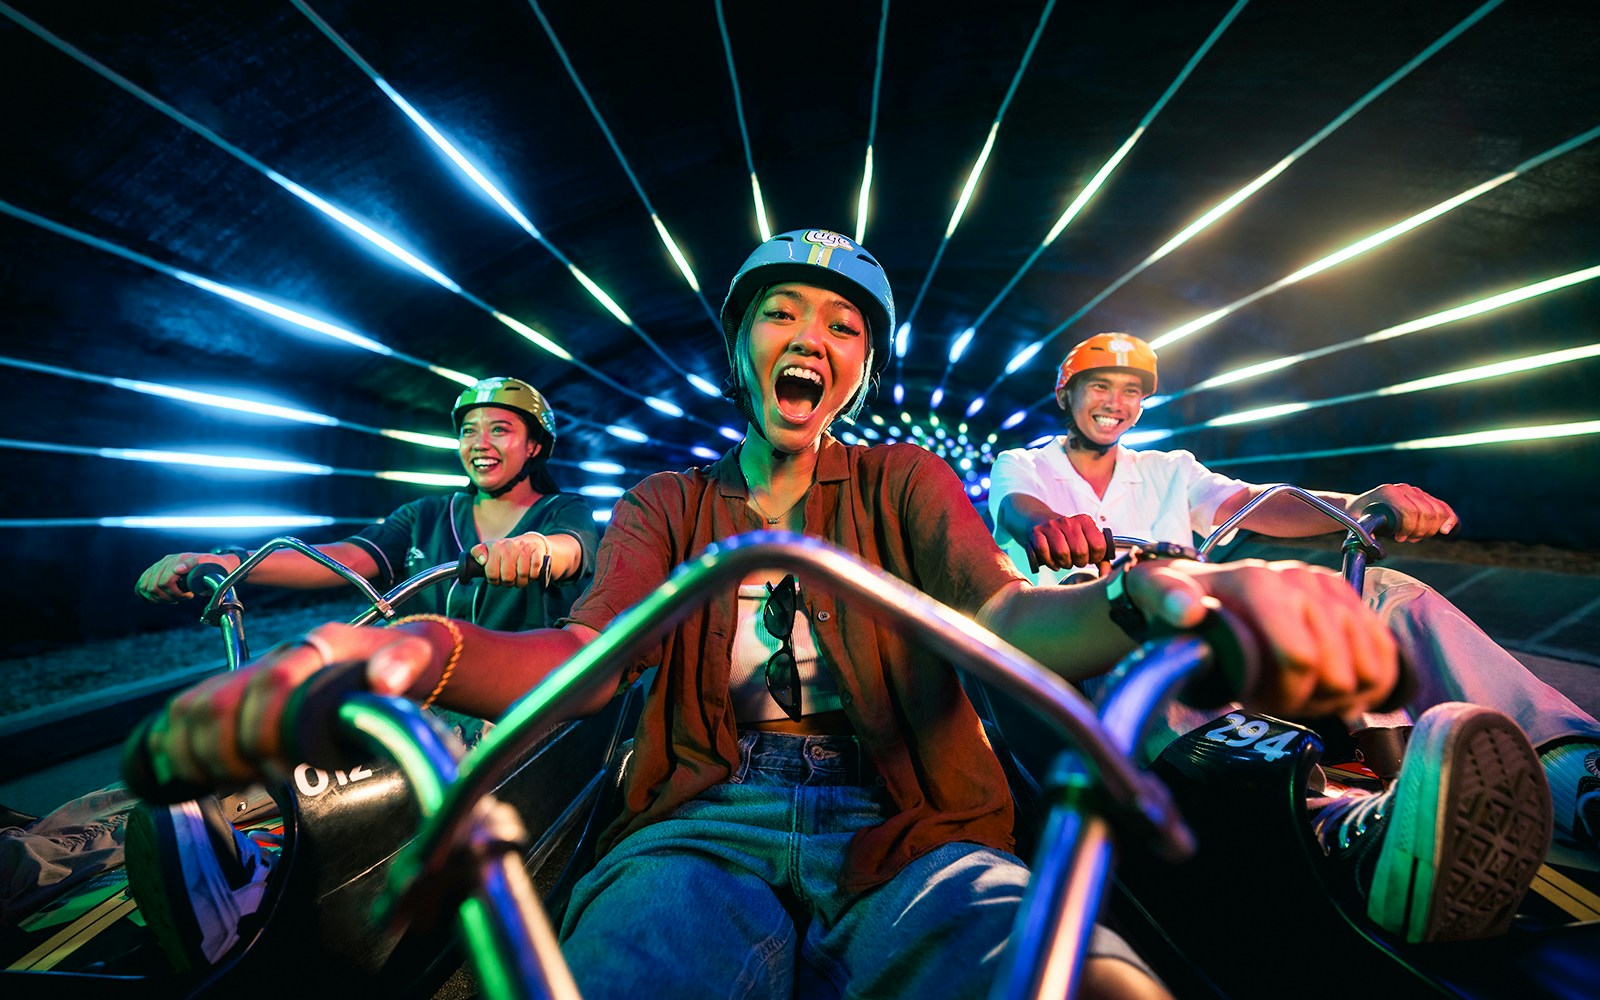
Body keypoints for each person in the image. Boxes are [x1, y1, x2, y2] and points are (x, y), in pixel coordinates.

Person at [135, 230, 1473, 998]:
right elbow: (586, 664)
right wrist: (399, 645)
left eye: (841, 325)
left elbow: (1004, 617)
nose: (810, 335)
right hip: (696, 817)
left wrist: (1166, 599)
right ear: (740, 346)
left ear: (857, 370)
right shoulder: (672, 501)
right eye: (782, 311)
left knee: (1072, 975)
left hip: (917, 817)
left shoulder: (907, 481)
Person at [988, 333, 1590, 929]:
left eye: (1131, 391)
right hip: (1084, 649)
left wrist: (1356, 504)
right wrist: (1055, 528)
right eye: (1100, 387)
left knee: (1385, 593)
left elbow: (1250, 501)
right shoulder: (1026, 463)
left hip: (1199, 623)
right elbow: (1021, 509)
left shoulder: (1168, 469)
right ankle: (1326, 823)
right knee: (1162, 621)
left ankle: (1570, 773)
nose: (1115, 403)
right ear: (1066, 394)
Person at [122, 377, 600, 971]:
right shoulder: (427, 515)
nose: (480, 442)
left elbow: (575, 545)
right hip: (421, 688)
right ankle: (222, 832)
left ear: (534, 446)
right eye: (469, 430)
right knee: (329, 708)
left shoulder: (563, 512)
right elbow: (347, 559)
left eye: (500, 429)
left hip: (504, 709)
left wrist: (538, 550)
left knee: (410, 757)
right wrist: (221, 563)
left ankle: (255, 898)